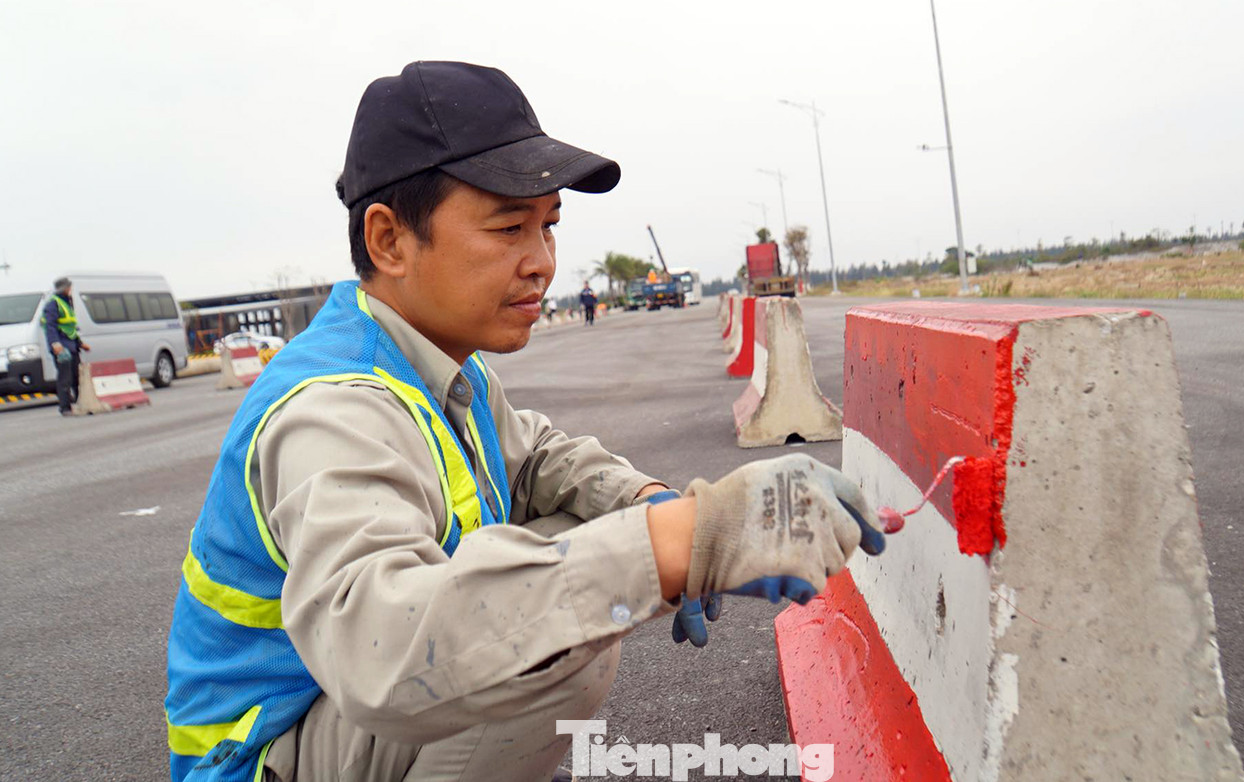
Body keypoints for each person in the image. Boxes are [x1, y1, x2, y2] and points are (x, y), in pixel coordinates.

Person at [163, 61, 885, 782]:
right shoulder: (332, 410)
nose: (542, 263)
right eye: (509, 227)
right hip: (259, 757)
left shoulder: (434, 362)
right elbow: (384, 646)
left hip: (329, 720)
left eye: (548, 227)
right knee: (558, 633)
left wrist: (652, 505)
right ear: (388, 241)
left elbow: (538, 458)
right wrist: (685, 543)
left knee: (577, 556)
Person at [41, 276, 90, 416]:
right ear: (65, 288)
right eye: (69, 287)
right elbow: (49, 326)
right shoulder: (53, 304)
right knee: (65, 378)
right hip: (61, 348)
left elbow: (70, 328)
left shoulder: (67, 302)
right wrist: (55, 344)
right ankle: (65, 408)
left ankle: (81, 404)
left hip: (72, 346)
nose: (70, 289)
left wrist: (80, 343)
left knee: (77, 377)